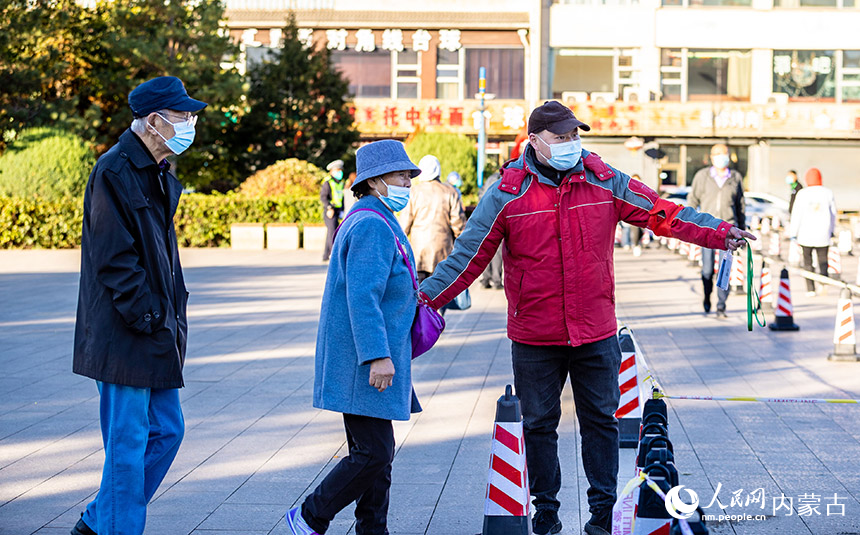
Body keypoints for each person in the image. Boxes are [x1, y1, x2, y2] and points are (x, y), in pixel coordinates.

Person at [418, 101, 753, 535]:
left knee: (601, 421)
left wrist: (719, 233)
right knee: (539, 425)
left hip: (595, 330)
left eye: (576, 136)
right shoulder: (507, 192)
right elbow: (468, 257)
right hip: (535, 335)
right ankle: (547, 510)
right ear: (534, 141)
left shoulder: (604, 180)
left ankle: (601, 515)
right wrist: (422, 301)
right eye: (561, 138)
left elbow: (662, 212)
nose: (572, 144)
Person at [71, 76, 207, 535]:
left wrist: (164, 318)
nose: (191, 124)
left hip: (153, 332)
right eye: (183, 116)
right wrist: (148, 315)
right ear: (154, 121)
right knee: (128, 449)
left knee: (167, 432)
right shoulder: (114, 170)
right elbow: (113, 260)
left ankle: (97, 519)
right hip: (125, 333)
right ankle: (113, 527)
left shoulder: (157, 171)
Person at [285, 140, 423, 535]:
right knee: (374, 452)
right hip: (366, 361)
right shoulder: (372, 226)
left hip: (367, 356)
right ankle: (311, 515)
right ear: (377, 180)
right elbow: (363, 299)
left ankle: (372, 529)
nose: (408, 184)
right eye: (401, 176)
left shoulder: (371, 217)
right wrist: (378, 355)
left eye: (410, 176)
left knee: (376, 453)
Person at [687, 143, 746, 318]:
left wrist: (741, 230)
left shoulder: (735, 177)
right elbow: (692, 201)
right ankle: (707, 297)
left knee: (724, 270)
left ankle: (721, 305)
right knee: (706, 270)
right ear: (711, 157)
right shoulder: (702, 176)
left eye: (724, 153)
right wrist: (690, 225)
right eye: (717, 154)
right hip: (707, 230)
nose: (721, 156)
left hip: (728, 230)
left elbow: (740, 205)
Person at [401, 154, 466, 284]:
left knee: (418, 295)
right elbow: (458, 224)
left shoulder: (413, 192)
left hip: (418, 251)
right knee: (438, 294)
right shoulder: (450, 192)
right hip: (442, 250)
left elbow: (404, 225)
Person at [789, 167, 837, 295]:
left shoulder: (802, 193)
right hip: (823, 234)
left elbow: (796, 215)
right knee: (823, 261)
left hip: (806, 235)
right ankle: (823, 285)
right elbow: (833, 214)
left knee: (807, 262)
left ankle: (810, 289)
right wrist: (832, 230)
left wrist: (793, 233)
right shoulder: (828, 193)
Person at [321, 159, 346, 262]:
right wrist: (329, 208)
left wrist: (342, 210)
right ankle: (333, 254)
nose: (339, 172)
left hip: (337, 210)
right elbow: (323, 197)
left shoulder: (340, 182)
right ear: (331, 171)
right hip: (330, 211)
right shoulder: (327, 182)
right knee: (332, 233)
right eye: (337, 170)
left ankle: (325, 255)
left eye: (340, 170)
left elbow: (341, 197)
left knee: (333, 232)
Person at [629, 174, 645, 257]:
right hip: (632, 214)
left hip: (642, 213)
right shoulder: (629, 190)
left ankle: (639, 244)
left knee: (641, 231)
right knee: (634, 230)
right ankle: (635, 245)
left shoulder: (643, 190)